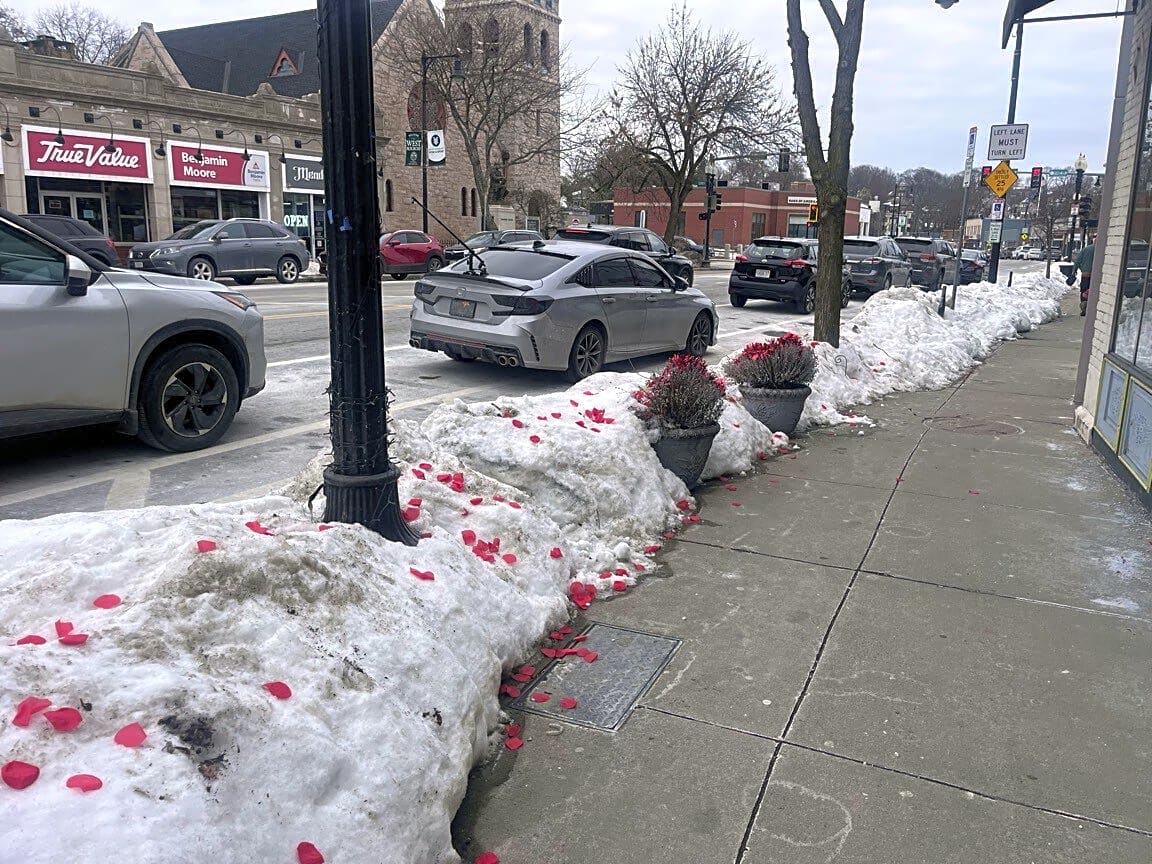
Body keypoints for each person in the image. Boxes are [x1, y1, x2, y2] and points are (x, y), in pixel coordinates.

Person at [1068, 236, 1096, 316]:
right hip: (1097, 276)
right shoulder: (1103, 250)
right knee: (1094, 291)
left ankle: (1084, 307)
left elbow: (1078, 261)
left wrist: (1074, 271)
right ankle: (1092, 308)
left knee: (1084, 291)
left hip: (1086, 274)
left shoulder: (1086, 249)